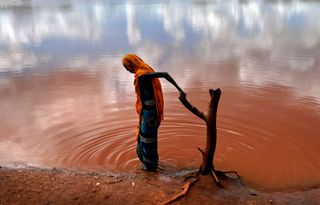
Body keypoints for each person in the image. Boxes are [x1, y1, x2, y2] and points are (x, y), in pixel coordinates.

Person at [122, 53, 185, 171]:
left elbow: (164, 74)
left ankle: (151, 167)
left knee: (147, 138)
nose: (127, 70)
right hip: (147, 112)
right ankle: (150, 165)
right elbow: (164, 74)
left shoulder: (142, 75)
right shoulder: (144, 71)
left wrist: (180, 90)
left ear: (131, 65)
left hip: (149, 114)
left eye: (126, 67)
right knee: (144, 137)